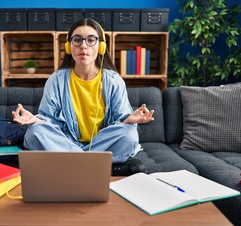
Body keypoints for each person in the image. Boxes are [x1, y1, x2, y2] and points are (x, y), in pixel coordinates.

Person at [12, 18, 154, 175]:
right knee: (34, 132)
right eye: (77, 40)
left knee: (129, 135)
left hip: (100, 145)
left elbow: (121, 122)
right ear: (68, 46)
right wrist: (34, 119)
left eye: (91, 40)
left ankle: (71, 164)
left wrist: (129, 119)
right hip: (64, 142)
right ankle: (95, 165)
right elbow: (48, 120)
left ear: (101, 47)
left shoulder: (114, 81)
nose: (83, 46)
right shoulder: (56, 80)